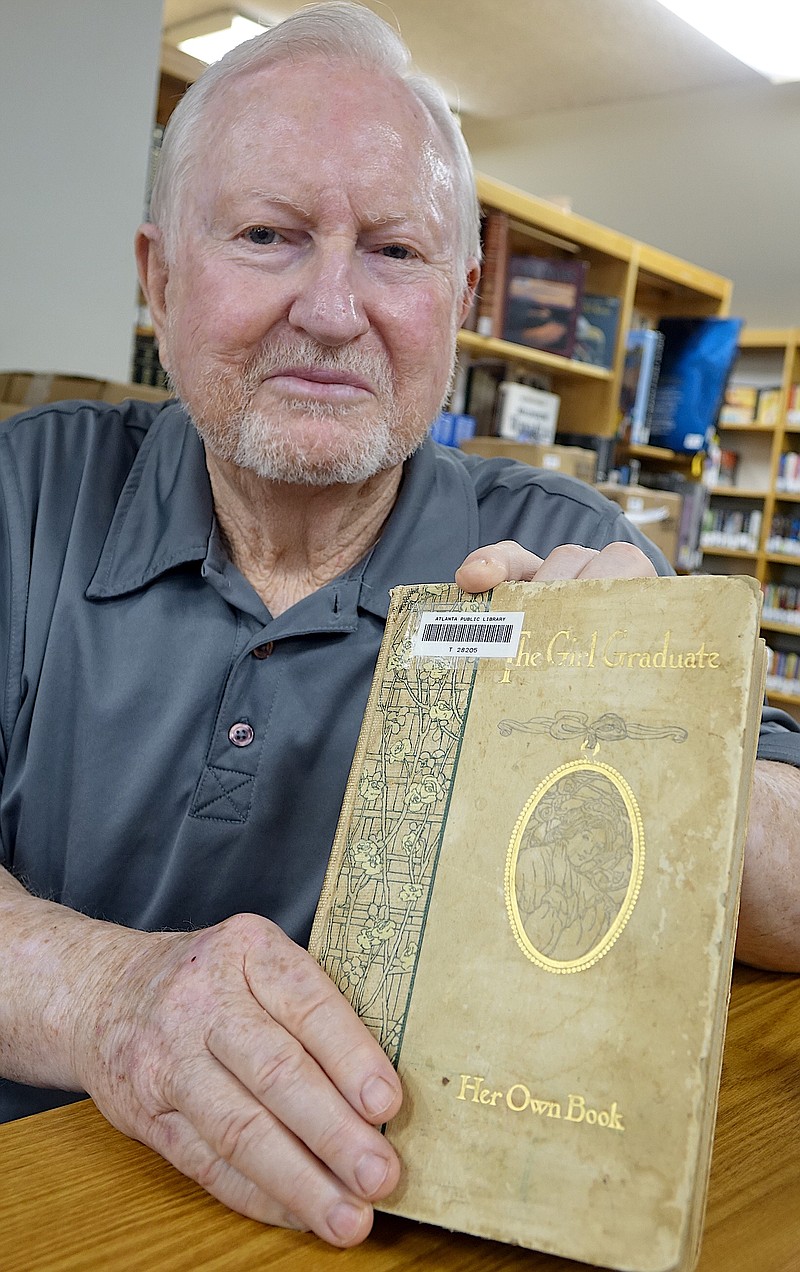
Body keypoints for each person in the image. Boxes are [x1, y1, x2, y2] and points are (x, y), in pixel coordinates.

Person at [0, 0, 798, 1250]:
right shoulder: (21, 498)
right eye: (267, 235)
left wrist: (668, 740)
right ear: (157, 275)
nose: (331, 309)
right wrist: (104, 993)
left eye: (393, 251)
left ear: (463, 294)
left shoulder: (564, 547)